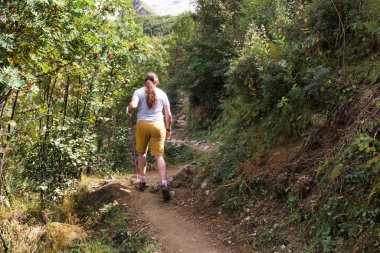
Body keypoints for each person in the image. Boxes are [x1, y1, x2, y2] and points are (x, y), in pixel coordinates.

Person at [127, 72, 172, 201]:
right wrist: (168, 129)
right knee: (159, 155)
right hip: (158, 125)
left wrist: (129, 109)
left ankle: (142, 181)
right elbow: (168, 114)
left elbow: (133, 106)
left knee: (142, 153)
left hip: (143, 125)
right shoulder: (162, 94)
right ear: (156, 82)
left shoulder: (138, 92)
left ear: (145, 81)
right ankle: (164, 183)